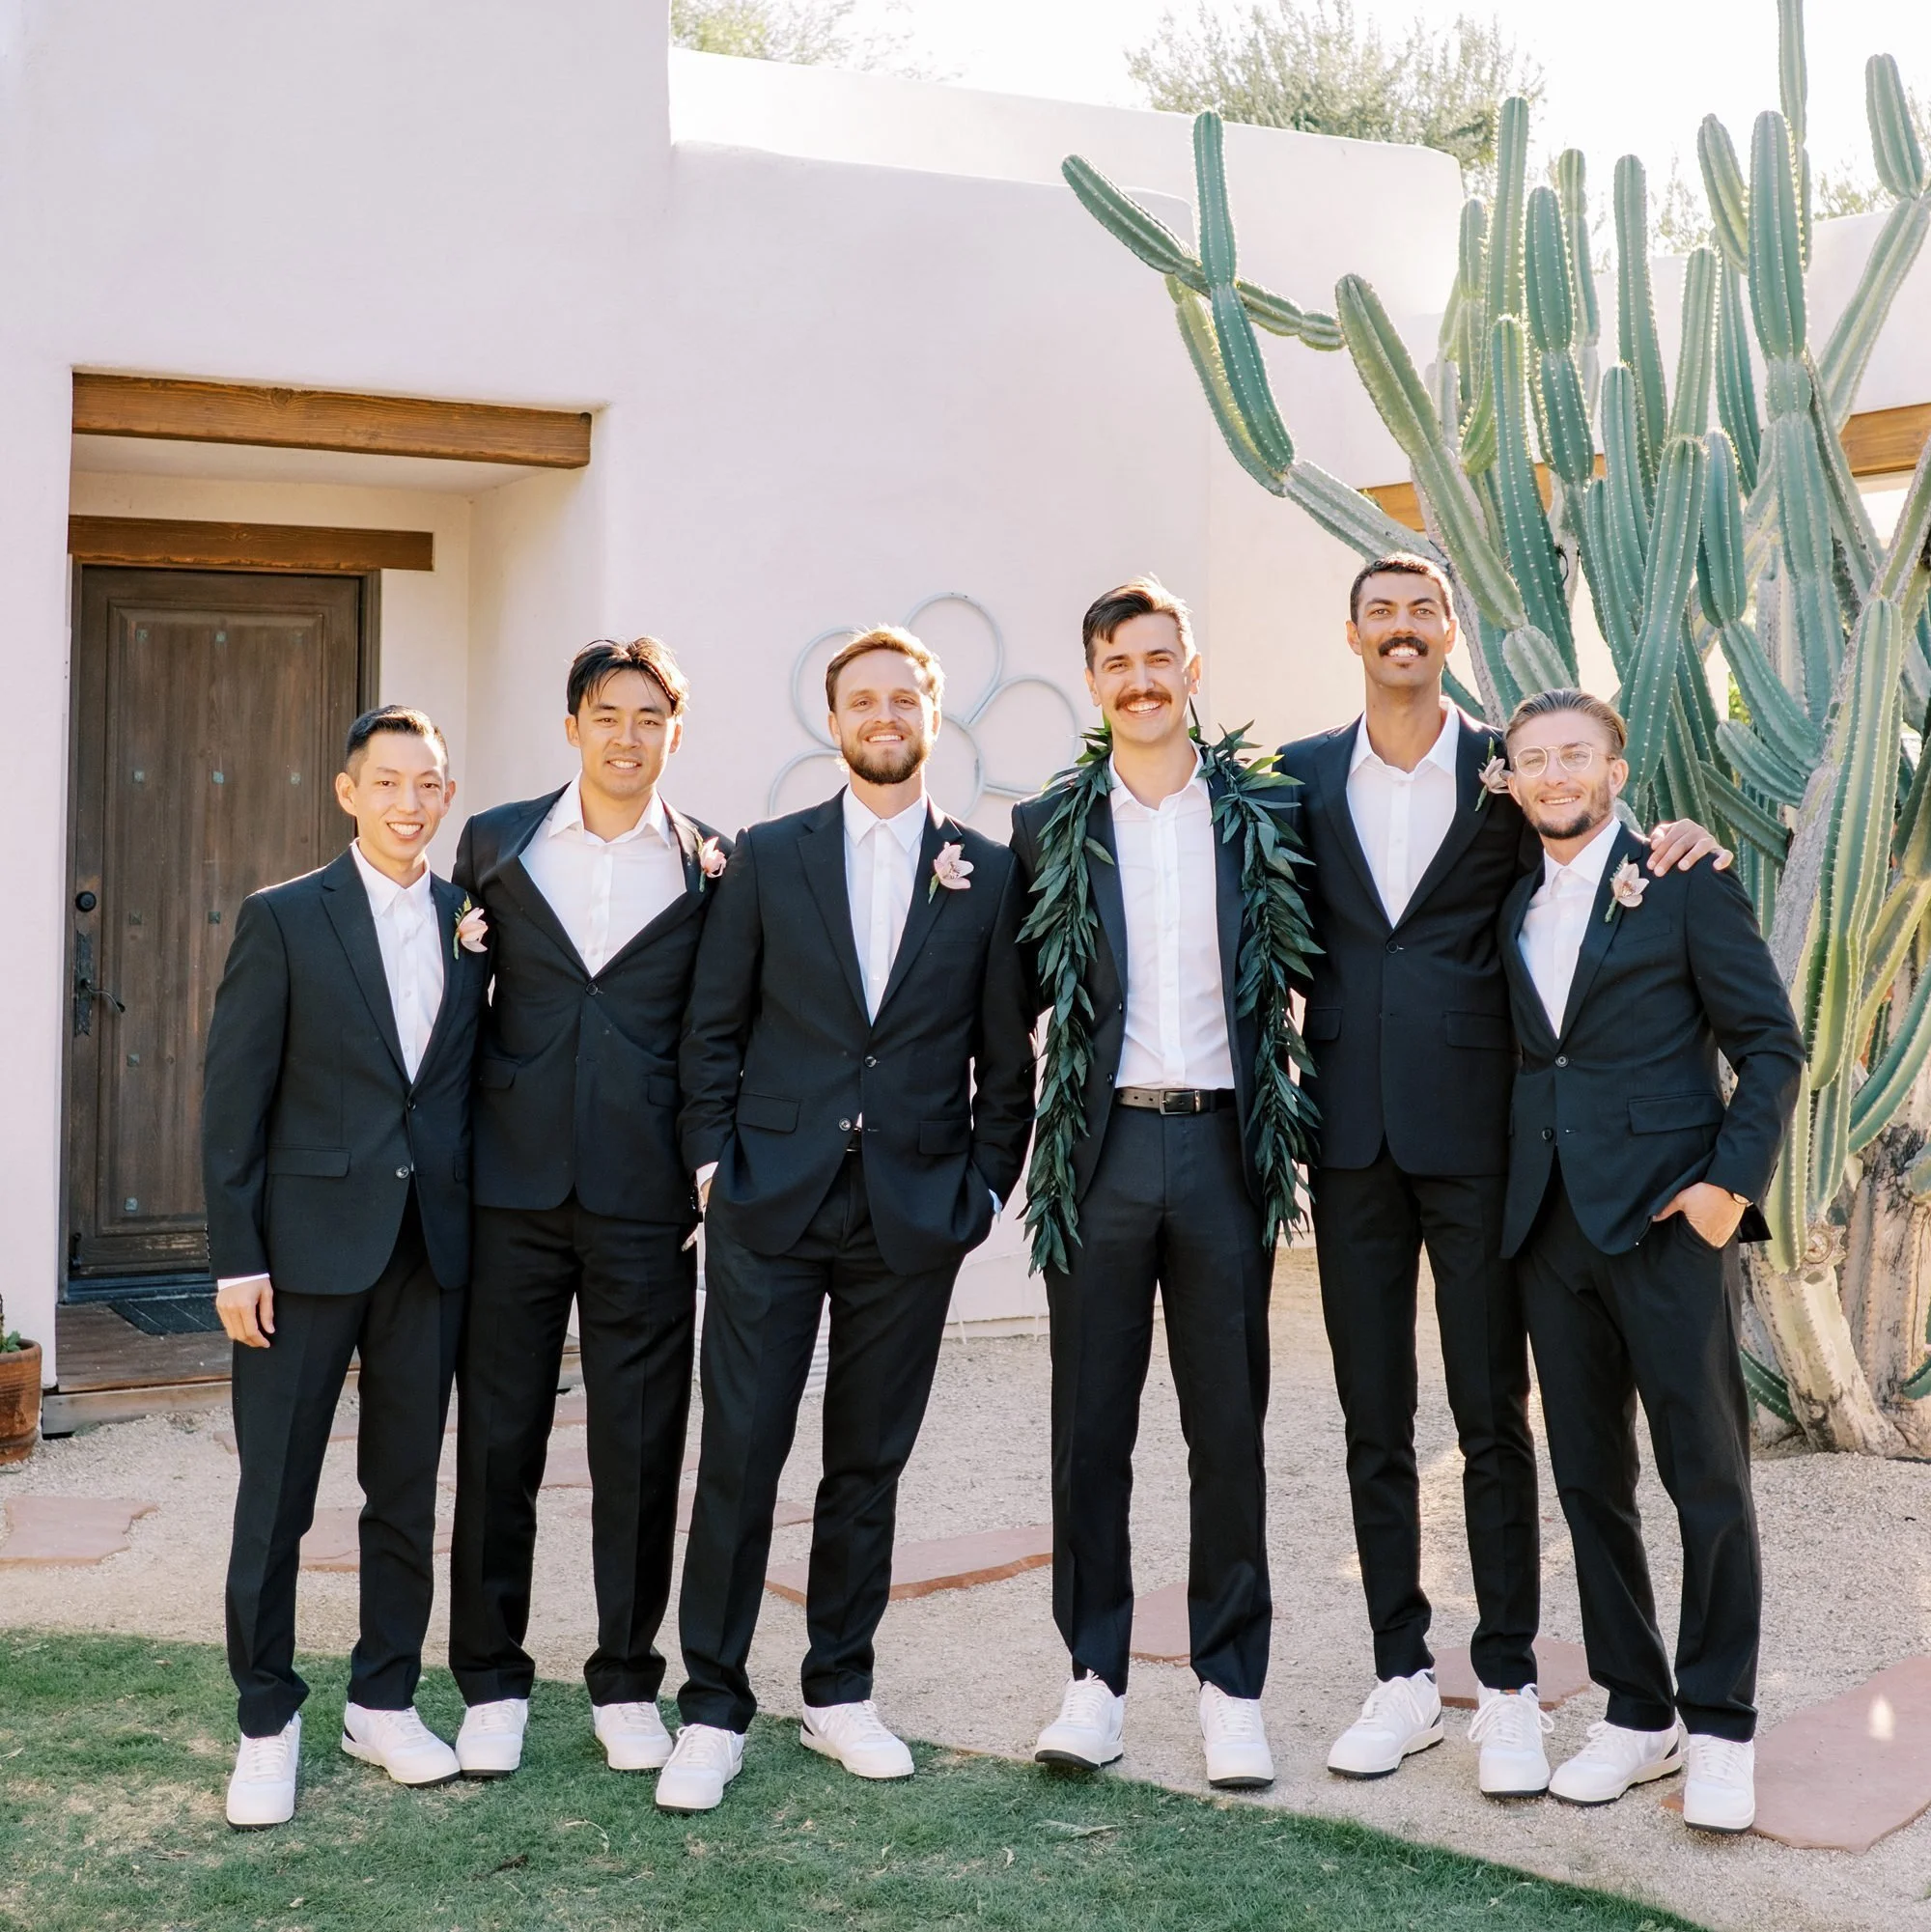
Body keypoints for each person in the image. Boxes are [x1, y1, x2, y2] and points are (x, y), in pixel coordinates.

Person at [1276, 553, 1725, 1798]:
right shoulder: (1297, 778)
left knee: (1490, 1423)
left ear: (1447, 629)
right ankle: (1398, 1675)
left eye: (1422, 611)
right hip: (1350, 1147)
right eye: (1381, 613)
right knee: (1372, 1420)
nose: (1402, 629)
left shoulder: (1508, 776)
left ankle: (1511, 1683)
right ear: (1352, 633)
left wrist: (1680, 835)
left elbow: (1592, 864)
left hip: (1486, 1153)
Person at [659, 626, 1037, 1813]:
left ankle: (839, 1690)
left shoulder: (985, 871)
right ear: (833, 722)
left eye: (900, 697)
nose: (882, 715)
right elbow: (709, 1030)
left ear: (931, 714)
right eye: (859, 699)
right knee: (739, 1456)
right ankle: (712, 1707)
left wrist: (979, 1193)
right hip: (769, 1203)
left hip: (910, 1216)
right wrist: (714, 1169)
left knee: (866, 1465)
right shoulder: (767, 857)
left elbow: (1003, 1060)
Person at [1009, 578, 1316, 1792]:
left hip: (1226, 1149)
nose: (1139, 681)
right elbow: (997, 1003)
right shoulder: (1049, 825)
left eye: (1158, 657)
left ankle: (1230, 1688)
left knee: (1225, 1425)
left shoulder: (1266, 811)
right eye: (1115, 663)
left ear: (1193, 665)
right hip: (1102, 1152)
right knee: (1089, 1429)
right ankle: (1091, 1682)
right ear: (1092, 681)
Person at [1498, 687, 1801, 1834]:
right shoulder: (1509, 891)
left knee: (1705, 1477)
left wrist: (1727, 1190)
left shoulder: (1682, 879)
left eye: (1575, 755)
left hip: (1671, 1227)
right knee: (1587, 1483)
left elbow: (1767, 1042)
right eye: (1533, 760)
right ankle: (1636, 1711)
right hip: (1547, 1227)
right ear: (1513, 779)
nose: (1555, 775)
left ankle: (1719, 1721)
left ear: (1615, 772)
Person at [446, 637, 726, 1780]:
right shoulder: (495, 844)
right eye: (607, 714)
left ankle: (624, 1680)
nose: (627, 735)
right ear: (572, 727)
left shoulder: (715, 865)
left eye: (649, 716)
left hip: (645, 1197)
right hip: (508, 1190)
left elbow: (718, 1028)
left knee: (642, 1443)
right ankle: (490, 1681)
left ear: (674, 730)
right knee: (498, 1440)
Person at [205, 706, 489, 1829]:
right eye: (389, 784)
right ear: (346, 792)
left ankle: (384, 1698)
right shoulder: (283, 918)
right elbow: (234, 1101)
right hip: (303, 1254)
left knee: (405, 1493)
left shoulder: (474, 918)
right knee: (275, 1498)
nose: (411, 804)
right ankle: (266, 1721)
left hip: (429, 1253)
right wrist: (237, 1260)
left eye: (429, 785)